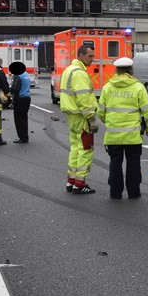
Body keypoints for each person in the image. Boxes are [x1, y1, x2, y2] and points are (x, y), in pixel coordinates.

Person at [97, 57, 148, 200]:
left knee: (115, 163)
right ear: (131, 70)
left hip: (113, 136)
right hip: (132, 136)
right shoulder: (138, 87)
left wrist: (110, 122)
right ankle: (134, 193)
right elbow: (147, 110)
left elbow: (101, 112)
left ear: (116, 70)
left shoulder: (107, 87)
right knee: (133, 164)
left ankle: (115, 193)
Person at [60, 44, 98, 194]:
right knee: (85, 149)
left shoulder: (69, 70)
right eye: (90, 56)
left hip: (72, 116)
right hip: (82, 117)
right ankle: (80, 184)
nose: (92, 59)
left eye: (93, 56)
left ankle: (71, 181)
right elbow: (83, 99)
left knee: (75, 148)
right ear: (81, 55)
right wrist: (91, 118)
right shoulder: (80, 73)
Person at [8, 61, 31, 143]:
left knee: (18, 119)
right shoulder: (26, 74)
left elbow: (15, 88)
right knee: (24, 118)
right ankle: (25, 136)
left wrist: (9, 90)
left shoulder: (18, 76)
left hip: (20, 99)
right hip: (27, 98)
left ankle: (22, 137)